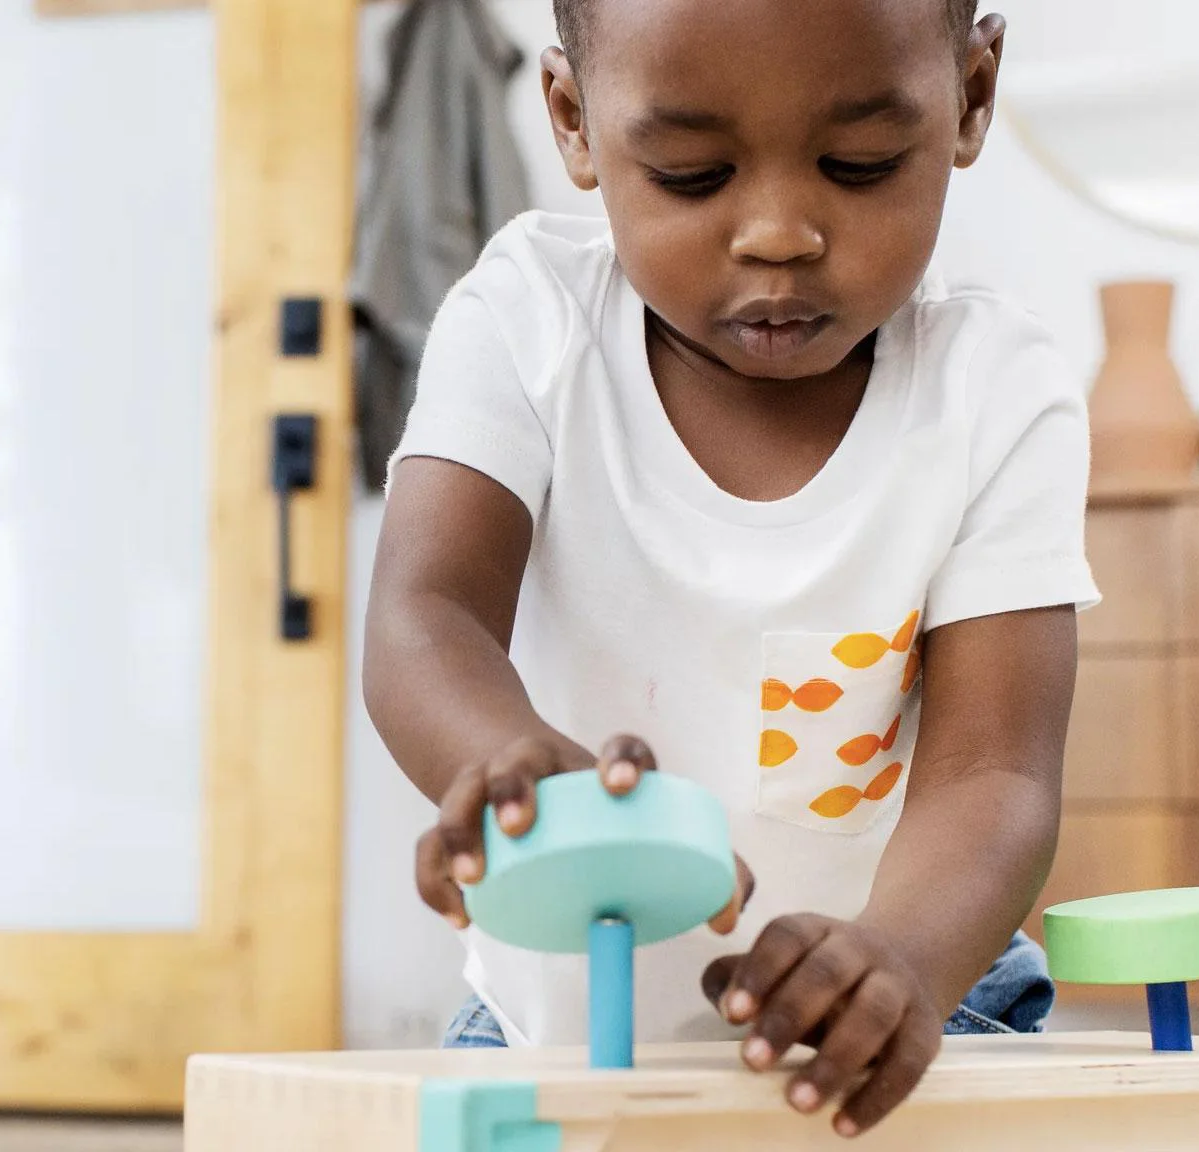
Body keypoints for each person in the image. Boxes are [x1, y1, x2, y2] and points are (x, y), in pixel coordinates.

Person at [363, 0, 1098, 1137]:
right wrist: (493, 751)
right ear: (572, 119)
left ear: (970, 93)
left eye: (856, 165)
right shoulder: (525, 321)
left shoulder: (993, 389)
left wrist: (897, 956)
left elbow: (991, 774)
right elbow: (426, 612)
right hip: (548, 1026)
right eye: (692, 174)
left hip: (907, 1011)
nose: (777, 232)